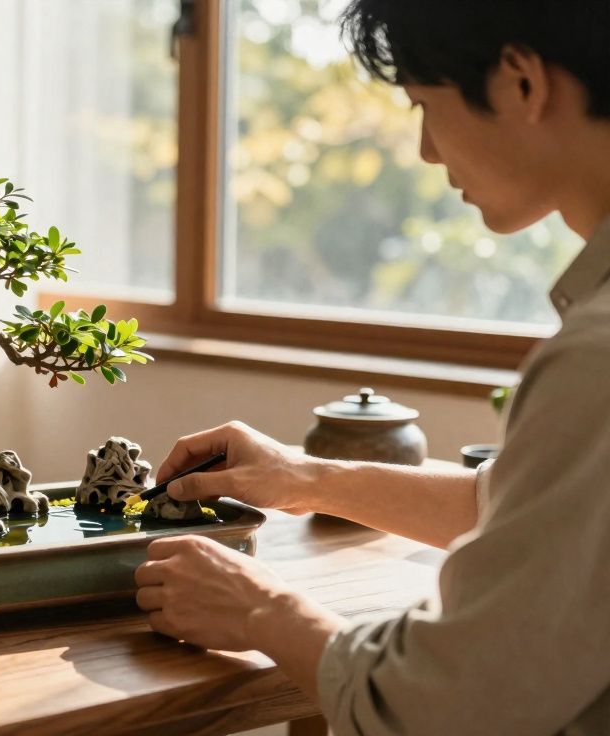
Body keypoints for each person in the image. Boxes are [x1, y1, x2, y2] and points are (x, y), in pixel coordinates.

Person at [134, 2, 610, 733]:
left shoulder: (595, 359)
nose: (424, 148)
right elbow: (539, 514)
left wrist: (261, 607)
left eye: (425, 103)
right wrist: (304, 477)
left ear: (521, 81)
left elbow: (442, 704)